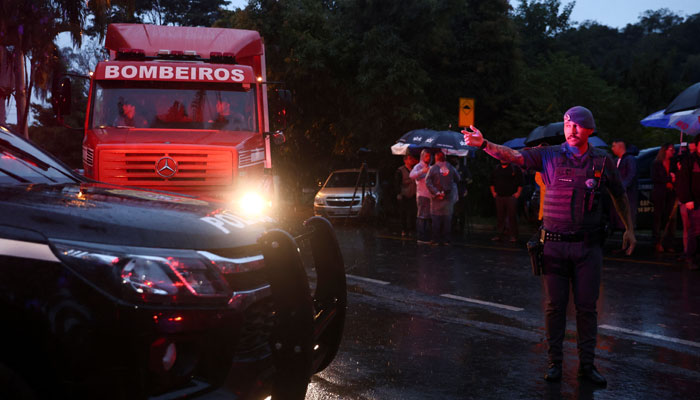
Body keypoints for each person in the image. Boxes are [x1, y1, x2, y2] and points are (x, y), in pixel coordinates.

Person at [464, 106, 636, 387]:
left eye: (578, 125)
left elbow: (619, 195)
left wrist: (629, 228)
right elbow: (513, 155)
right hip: (554, 247)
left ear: (590, 130)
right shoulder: (550, 155)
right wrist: (484, 144)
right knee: (555, 307)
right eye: (568, 124)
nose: (572, 129)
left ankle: (587, 366)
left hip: (588, 247)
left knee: (587, 309)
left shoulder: (602, 162)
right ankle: (555, 363)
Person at [675, 134, 700, 270]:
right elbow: (683, 182)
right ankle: (690, 257)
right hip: (694, 202)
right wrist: (688, 199)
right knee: (694, 231)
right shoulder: (690, 161)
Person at [425, 150, 460, 245]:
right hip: (448, 197)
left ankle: (436, 239)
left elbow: (427, 182)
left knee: (436, 219)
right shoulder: (451, 168)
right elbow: (458, 178)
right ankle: (446, 240)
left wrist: (436, 192)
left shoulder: (433, 168)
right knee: (447, 219)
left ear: (436, 158)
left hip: (436, 198)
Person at [651, 143, 677, 253]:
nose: (673, 152)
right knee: (658, 219)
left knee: (671, 219)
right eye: (671, 149)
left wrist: (674, 179)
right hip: (659, 194)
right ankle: (657, 242)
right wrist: (666, 182)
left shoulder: (674, 163)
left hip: (671, 195)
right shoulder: (656, 164)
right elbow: (654, 178)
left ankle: (669, 243)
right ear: (665, 150)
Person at [610, 139, 638, 236]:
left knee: (627, 220)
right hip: (620, 195)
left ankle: (628, 246)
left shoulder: (629, 159)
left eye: (614, 146)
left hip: (628, 196)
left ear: (620, 146)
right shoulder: (617, 160)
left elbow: (631, 175)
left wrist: (622, 187)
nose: (612, 149)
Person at [490, 161, 523, 242]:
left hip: (511, 196)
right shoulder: (497, 168)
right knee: (500, 216)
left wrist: (518, 193)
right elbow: (491, 181)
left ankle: (513, 235)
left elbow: (520, 181)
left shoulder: (514, 168)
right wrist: (493, 192)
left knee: (512, 216)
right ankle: (499, 234)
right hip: (499, 196)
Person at [678, 140, 697, 255]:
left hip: (693, 198)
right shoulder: (686, 161)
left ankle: (690, 252)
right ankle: (688, 252)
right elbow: (683, 181)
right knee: (688, 227)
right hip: (687, 199)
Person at [410, 150, 432, 244]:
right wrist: (422, 171)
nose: (429, 158)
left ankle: (426, 236)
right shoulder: (419, 166)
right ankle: (421, 236)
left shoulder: (430, 167)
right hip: (422, 195)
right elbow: (412, 175)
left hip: (430, 195)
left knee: (428, 216)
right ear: (422, 157)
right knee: (422, 216)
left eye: (429, 156)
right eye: (427, 156)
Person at [395, 154, 418, 236]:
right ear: (405, 160)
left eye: (412, 158)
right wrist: (399, 193)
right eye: (409, 159)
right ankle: (404, 229)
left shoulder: (415, 169)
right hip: (404, 194)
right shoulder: (400, 170)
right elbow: (397, 183)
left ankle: (412, 229)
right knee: (403, 213)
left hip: (413, 194)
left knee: (413, 213)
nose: (411, 160)